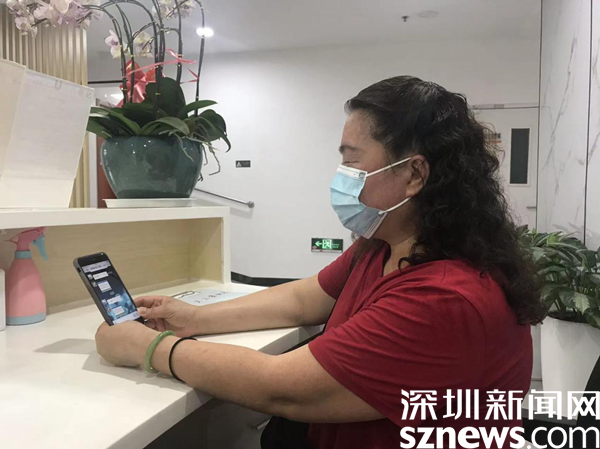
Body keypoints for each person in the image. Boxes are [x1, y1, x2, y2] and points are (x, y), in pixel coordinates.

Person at [95, 76, 545, 449]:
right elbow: (301, 300)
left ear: (413, 175)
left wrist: (148, 348)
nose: (341, 176)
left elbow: (281, 387)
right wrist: (193, 318)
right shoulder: (382, 246)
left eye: (352, 160)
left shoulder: (444, 296)